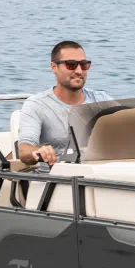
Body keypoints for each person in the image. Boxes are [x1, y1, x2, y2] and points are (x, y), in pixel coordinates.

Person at [17, 40, 112, 172]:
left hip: (98, 176)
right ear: (54, 67)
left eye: (84, 65)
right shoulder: (36, 105)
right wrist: (39, 151)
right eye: (71, 65)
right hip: (53, 183)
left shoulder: (102, 100)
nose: (79, 71)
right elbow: (24, 151)